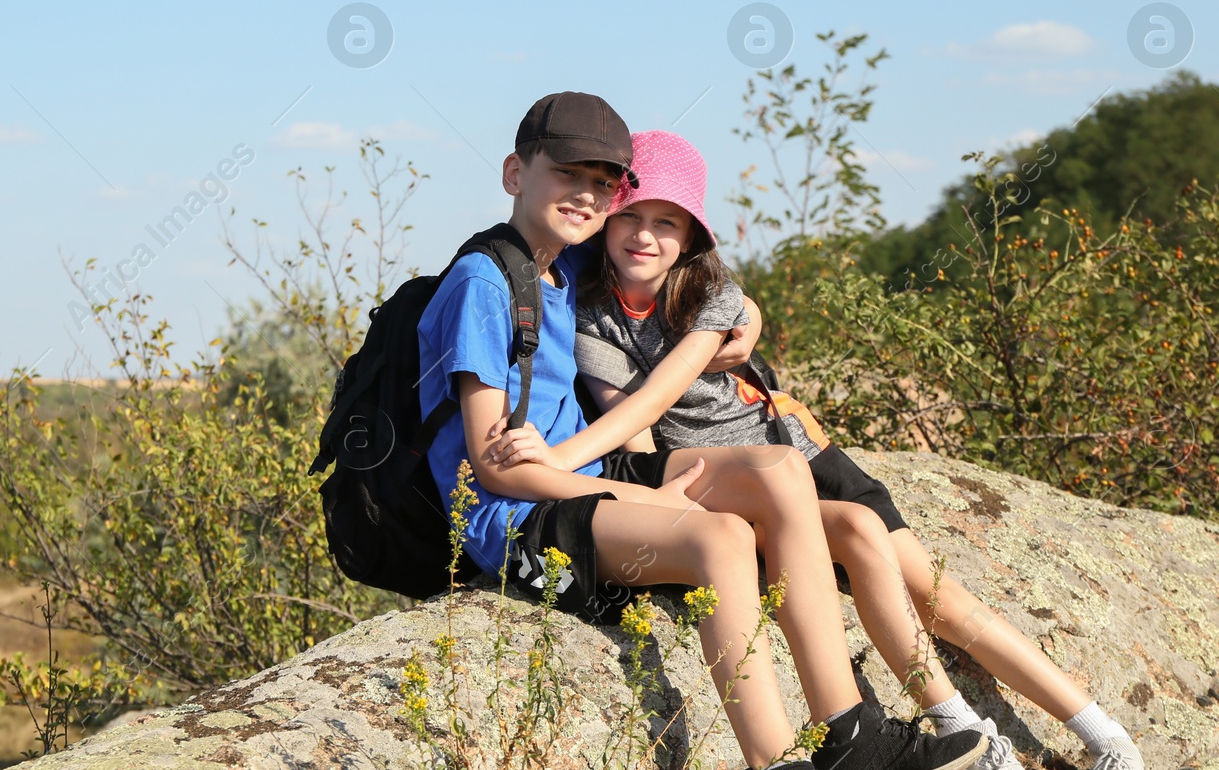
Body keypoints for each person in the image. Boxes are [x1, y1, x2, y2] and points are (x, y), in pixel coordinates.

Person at [490, 129, 1145, 770]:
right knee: (855, 533)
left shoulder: (709, 292)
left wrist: (560, 457)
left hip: (800, 456)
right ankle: (944, 726)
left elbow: (656, 395)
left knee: (939, 596)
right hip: (739, 484)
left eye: (667, 221)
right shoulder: (587, 304)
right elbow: (636, 430)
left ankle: (1098, 729)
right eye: (629, 214)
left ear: (690, 236)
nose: (644, 233)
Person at [419, 93, 989, 770]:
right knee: (719, 535)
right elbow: (495, 471)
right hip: (518, 522)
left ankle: (849, 729)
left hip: (584, 481)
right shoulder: (482, 285)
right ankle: (775, 758)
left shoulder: (564, 265)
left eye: (602, 183)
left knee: (781, 470)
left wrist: (743, 310)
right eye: (566, 173)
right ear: (515, 172)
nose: (585, 195)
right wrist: (657, 502)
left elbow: (682, 268)